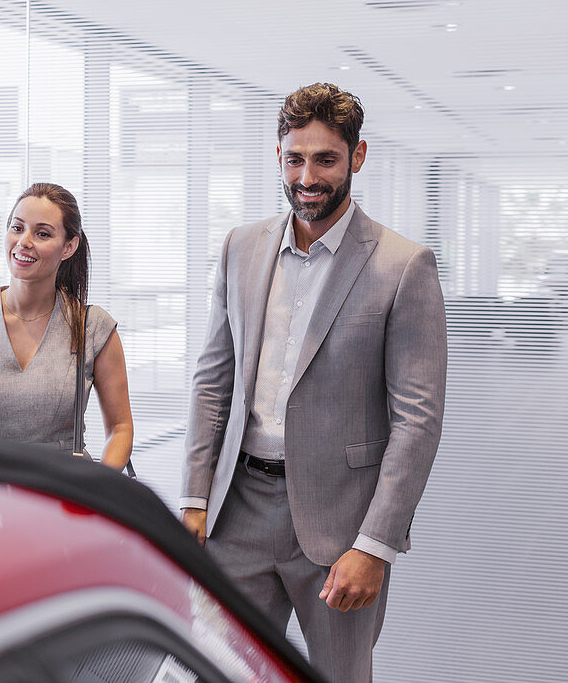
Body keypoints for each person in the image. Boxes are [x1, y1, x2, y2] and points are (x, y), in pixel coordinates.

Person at [180, 83, 447, 682]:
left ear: (358, 156)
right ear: (278, 156)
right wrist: (195, 498)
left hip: (341, 527)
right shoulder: (240, 247)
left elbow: (417, 420)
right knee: (220, 670)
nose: (307, 176)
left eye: (325, 159)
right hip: (237, 512)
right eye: (294, 158)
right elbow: (212, 379)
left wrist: (374, 545)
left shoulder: (402, 265)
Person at [0, 183, 133, 469]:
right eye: (17, 228)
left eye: (42, 233)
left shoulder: (93, 327)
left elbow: (121, 427)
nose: (24, 241)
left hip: (65, 497)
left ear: (69, 246)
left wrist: (95, 490)